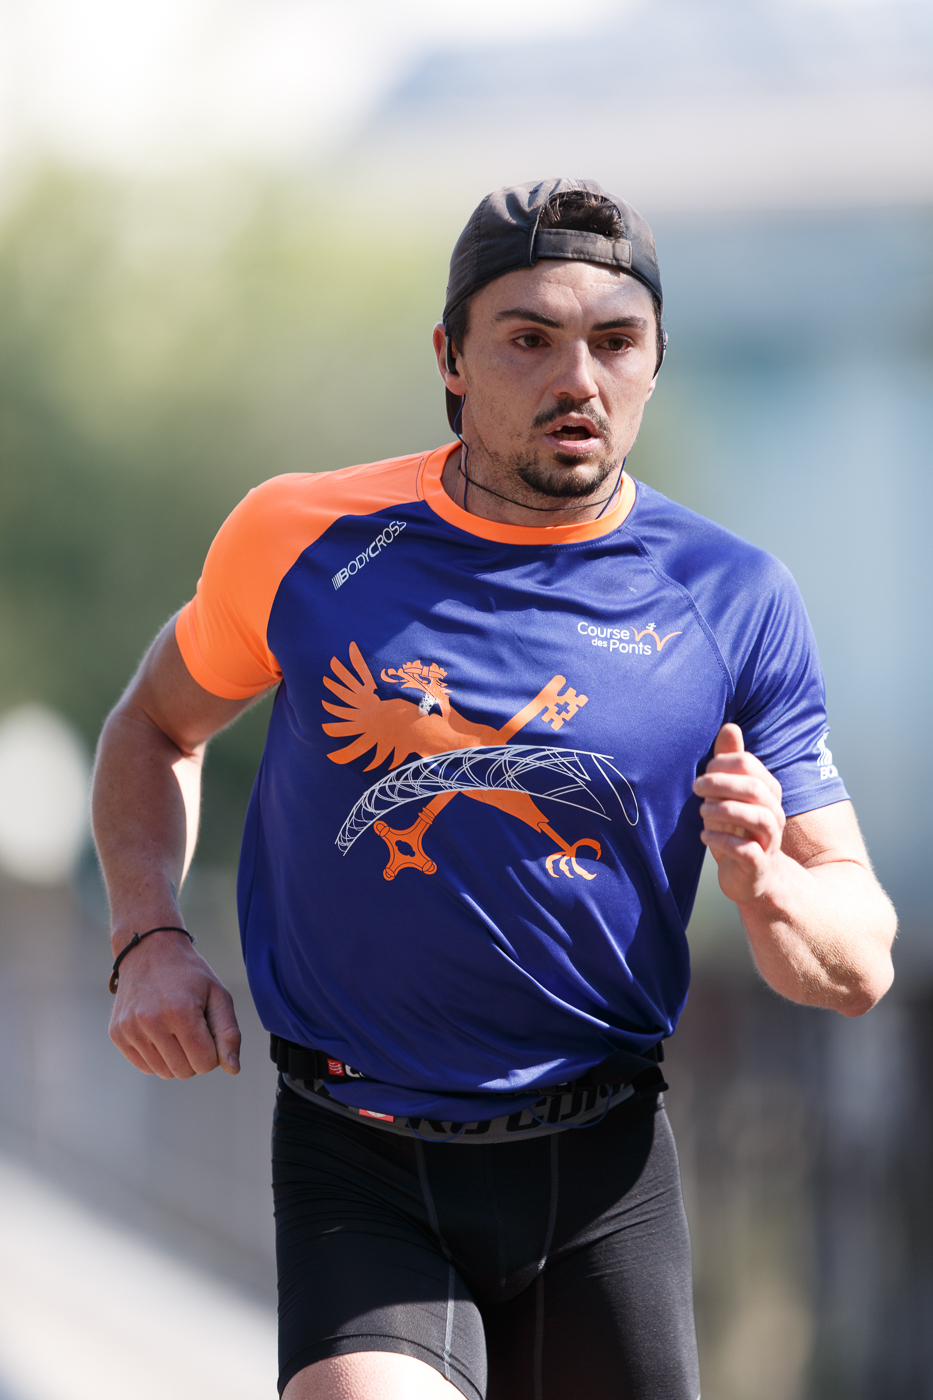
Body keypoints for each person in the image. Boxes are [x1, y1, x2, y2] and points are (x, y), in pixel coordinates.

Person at [92, 178, 896, 1400]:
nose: (577, 378)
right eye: (529, 337)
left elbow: (859, 958)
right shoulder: (301, 536)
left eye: (615, 341)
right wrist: (147, 934)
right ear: (451, 359)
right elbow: (154, 726)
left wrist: (771, 888)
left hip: (602, 1167)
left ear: (655, 362)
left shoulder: (733, 597)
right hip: (357, 1149)